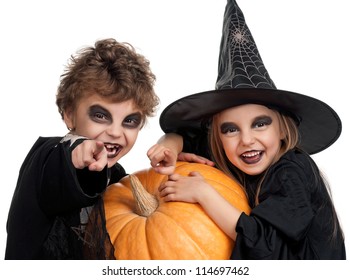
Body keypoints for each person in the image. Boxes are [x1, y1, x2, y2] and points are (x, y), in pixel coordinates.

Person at [147, 0, 346, 259]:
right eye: (230, 130)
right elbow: (183, 136)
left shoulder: (292, 171)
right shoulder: (237, 152)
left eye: (260, 124)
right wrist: (169, 147)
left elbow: (268, 250)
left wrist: (203, 193)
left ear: (283, 130)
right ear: (217, 137)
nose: (247, 140)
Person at [5, 38, 159, 259]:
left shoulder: (117, 178)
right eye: (100, 116)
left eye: (129, 121)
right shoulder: (47, 156)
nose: (116, 132)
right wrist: (78, 153)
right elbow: (64, 159)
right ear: (69, 114)